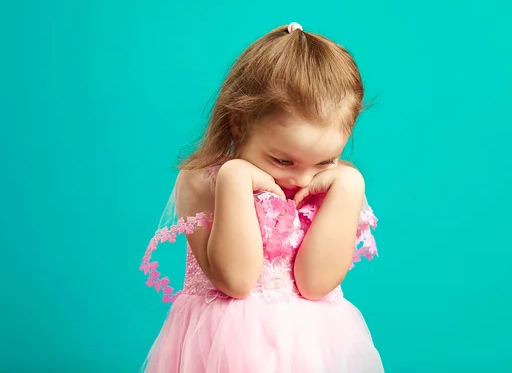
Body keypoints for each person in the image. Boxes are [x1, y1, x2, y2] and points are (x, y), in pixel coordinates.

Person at [140, 22, 384, 372]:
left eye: (324, 161)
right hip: (219, 350)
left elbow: (315, 284)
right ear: (238, 125)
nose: (302, 178)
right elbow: (236, 281)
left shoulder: (337, 185)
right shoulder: (200, 181)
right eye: (283, 160)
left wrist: (350, 186)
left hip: (313, 351)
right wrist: (235, 179)